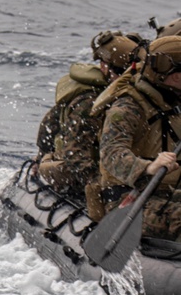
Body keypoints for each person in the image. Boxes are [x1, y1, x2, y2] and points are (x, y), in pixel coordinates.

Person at [35, 30, 142, 204]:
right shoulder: (90, 101)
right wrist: (101, 183)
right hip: (77, 166)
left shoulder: (130, 95)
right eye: (120, 71)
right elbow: (74, 153)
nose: (125, 77)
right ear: (104, 67)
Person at [92, 36, 181, 234]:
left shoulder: (171, 103)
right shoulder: (128, 107)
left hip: (165, 192)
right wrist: (148, 167)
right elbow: (111, 154)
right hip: (126, 200)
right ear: (174, 76)